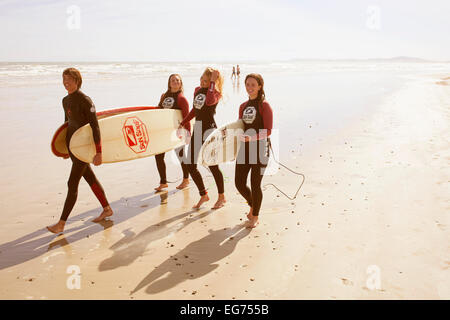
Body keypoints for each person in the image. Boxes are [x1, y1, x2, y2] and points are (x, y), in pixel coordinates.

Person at [47, 68, 113, 234]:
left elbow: (95, 126)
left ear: (77, 80)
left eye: (69, 79)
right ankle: (107, 209)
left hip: (84, 148)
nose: (65, 82)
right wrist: (64, 150)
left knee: (72, 184)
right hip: (73, 149)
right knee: (90, 178)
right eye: (64, 79)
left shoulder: (85, 100)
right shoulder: (65, 100)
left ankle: (61, 224)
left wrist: (99, 152)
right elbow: (66, 125)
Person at [179, 67, 226, 210]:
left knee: (213, 165)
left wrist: (212, 83)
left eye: (207, 80)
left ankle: (221, 197)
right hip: (198, 130)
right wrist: (184, 121)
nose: (203, 82)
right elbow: (195, 109)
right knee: (190, 164)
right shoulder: (197, 90)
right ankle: (204, 194)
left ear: (213, 81)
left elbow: (209, 101)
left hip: (210, 132)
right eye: (202, 79)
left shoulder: (216, 93)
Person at [235, 73, 273, 228]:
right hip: (244, 149)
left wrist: (252, 138)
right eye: (247, 84)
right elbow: (239, 129)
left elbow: (268, 131)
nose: (250, 87)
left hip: (260, 149)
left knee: (255, 184)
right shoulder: (242, 106)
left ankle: (255, 215)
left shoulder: (264, 105)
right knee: (239, 183)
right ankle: (253, 204)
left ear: (259, 86)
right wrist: (233, 149)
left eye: (253, 84)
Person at [154, 74, 190, 191]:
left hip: (176, 131)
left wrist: (188, 134)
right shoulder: (164, 96)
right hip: (164, 131)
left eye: (177, 80)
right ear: (169, 83)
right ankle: (163, 182)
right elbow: (159, 111)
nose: (175, 82)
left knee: (180, 155)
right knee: (158, 155)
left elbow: (187, 117)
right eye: (173, 80)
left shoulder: (182, 99)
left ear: (181, 83)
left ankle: (186, 179)